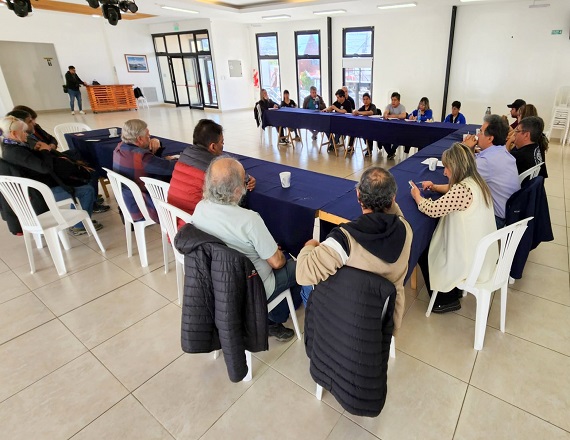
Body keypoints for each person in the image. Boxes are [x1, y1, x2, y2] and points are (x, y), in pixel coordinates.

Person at [191, 157, 302, 342]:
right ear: (237, 190)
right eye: (245, 180)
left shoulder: (200, 209)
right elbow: (276, 263)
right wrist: (277, 253)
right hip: (252, 286)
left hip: (218, 282)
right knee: (297, 264)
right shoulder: (249, 219)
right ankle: (274, 320)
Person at [296, 167, 412, 333]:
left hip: (350, 317)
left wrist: (310, 245)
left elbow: (302, 274)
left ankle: (322, 332)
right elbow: (396, 214)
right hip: (388, 317)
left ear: (358, 195)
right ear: (393, 199)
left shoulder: (344, 240)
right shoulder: (405, 228)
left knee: (308, 288)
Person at [410, 143, 497, 313]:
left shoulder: (463, 190)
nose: (444, 172)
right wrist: (434, 186)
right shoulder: (477, 182)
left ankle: (445, 299)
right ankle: (452, 291)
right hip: (483, 252)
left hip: (470, 257)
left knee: (425, 247)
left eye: (447, 168)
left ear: (456, 167)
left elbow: (432, 209)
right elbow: (452, 191)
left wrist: (417, 197)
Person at [0, 116, 102, 235]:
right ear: (13, 133)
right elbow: (44, 168)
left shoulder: (10, 147)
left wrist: (37, 151)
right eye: (23, 132)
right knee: (87, 190)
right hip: (40, 193)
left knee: (79, 177)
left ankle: (80, 219)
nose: (26, 134)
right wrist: (45, 150)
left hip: (38, 187)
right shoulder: (15, 152)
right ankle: (79, 226)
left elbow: (33, 163)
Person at [168, 119, 256, 216]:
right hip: (194, 221)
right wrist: (247, 178)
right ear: (213, 147)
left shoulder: (185, 154)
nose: (223, 146)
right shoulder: (214, 166)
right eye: (222, 142)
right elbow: (234, 175)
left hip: (172, 217)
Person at [112, 119, 176, 223]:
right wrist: (174, 160)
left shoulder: (120, 147)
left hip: (128, 202)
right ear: (140, 139)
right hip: (144, 206)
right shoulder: (142, 157)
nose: (149, 137)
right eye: (148, 135)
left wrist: (155, 144)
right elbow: (169, 168)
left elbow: (146, 164)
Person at [462, 114, 520, 228]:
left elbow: (462, 175)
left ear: (490, 138)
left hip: (496, 219)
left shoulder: (487, 162)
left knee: (456, 208)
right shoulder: (502, 152)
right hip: (509, 212)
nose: (477, 135)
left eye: (481, 132)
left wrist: (466, 148)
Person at [382, 92, 407, 159]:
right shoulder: (389, 106)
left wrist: (392, 116)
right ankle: (391, 153)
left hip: (399, 129)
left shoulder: (402, 107)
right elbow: (385, 113)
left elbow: (403, 115)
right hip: (389, 128)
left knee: (398, 139)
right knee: (382, 138)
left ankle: (391, 153)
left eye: (395, 100)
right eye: (392, 100)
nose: (393, 102)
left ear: (399, 101)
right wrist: (386, 114)